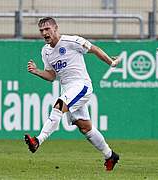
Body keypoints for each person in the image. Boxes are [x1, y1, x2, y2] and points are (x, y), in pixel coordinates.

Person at [24, 17, 121, 171]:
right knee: (84, 127)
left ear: (56, 28)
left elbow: (94, 49)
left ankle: (38, 140)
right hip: (67, 88)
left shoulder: (72, 41)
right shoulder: (46, 51)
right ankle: (110, 155)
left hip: (81, 85)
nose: (44, 33)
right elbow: (51, 76)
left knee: (58, 106)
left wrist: (111, 63)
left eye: (47, 29)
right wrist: (36, 71)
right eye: (41, 30)